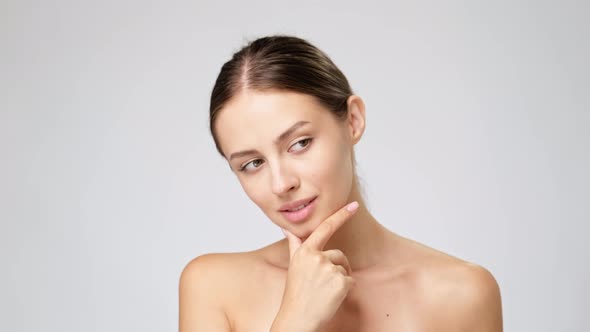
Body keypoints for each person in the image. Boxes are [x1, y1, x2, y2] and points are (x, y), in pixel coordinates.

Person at [179, 35, 503, 332]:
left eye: (300, 143)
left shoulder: (463, 294)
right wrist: (295, 320)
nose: (281, 184)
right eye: (252, 164)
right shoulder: (211, 287)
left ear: (353, 120)